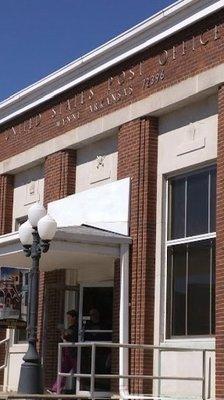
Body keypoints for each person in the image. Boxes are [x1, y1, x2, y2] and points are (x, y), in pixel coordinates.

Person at [49, 309, 78, 394]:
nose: (68, 320)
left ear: (74, 318)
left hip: (73, 352)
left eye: (69, 318)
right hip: (67, 352)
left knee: (78, 371)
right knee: (63, 370)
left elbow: (70, 334)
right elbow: (65, 336)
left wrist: (63, 330)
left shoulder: (76, 327)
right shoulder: (70, 327)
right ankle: (56, 389)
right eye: (67, 318)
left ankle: (83, 389)